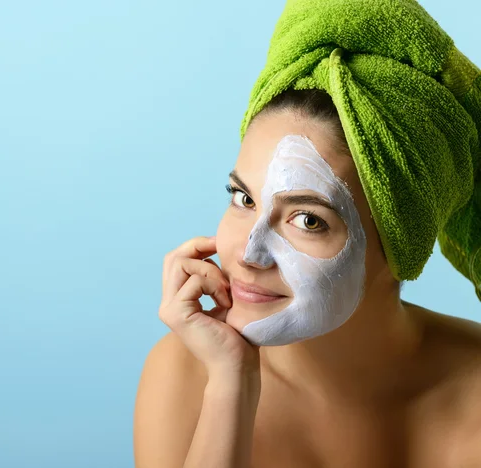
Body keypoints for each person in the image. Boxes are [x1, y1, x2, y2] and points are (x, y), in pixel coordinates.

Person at [134, 0, 481, 466]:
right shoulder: (183, 376)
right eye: (243, 199)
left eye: (308, 219)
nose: (248, 254)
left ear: (402, 245)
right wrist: (231, 386)